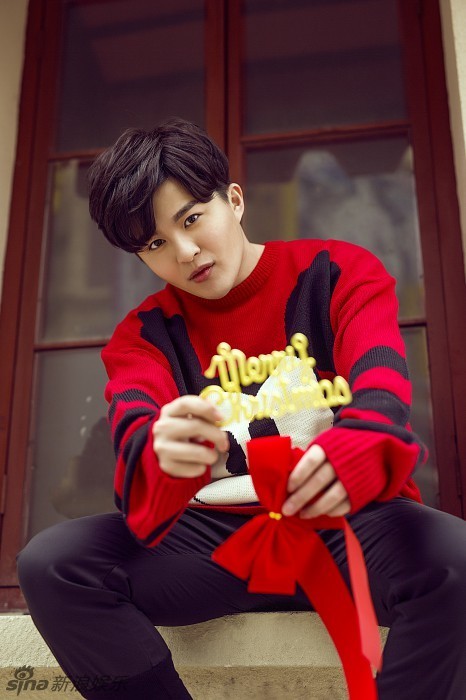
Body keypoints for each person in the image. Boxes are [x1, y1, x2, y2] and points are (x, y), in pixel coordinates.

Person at [16, 119, 466, 700]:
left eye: (191, 219)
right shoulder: (142, 337)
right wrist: (160, 455)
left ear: (233, 200)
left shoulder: (337, 272)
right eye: (154, 245)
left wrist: (347, 457)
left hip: (348, 524)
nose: (185, 253)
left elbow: (382, 396)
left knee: (456, 559)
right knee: (53, 563)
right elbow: (136, 459)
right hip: (215, 545)